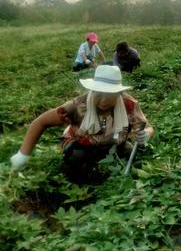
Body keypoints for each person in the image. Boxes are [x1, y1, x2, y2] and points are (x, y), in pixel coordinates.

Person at [10, 65, 154, 184]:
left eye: (109, 95)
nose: (103, 101)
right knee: (76, 156)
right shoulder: (79, 105)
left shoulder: (128, 104)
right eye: (99, 93)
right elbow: (40, 122)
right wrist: (23, 155)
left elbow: (147, 127)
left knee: (130, 152)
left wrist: (146, 134)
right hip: (82, 145)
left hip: (114, 144)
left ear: (118, 93)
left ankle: (111, 180)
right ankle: (76, 184)